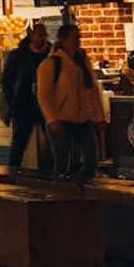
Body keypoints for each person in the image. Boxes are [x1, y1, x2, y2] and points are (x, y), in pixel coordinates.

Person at [36, 25, 105, 185]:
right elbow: (44, 95)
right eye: (74, 38)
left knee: (91, 161)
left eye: (78, 38)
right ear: (63, 40)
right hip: (61, 120)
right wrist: (52, 119)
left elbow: (92, 90)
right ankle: (61, 193)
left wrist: (99, 117)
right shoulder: (51, 64)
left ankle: (77, 188)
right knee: (62, 163)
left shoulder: (82, 62)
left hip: (82, 119)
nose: (77, 42)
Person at [1, 22, 51, 179]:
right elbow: (7, 80)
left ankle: (54, 171)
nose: (42, 39)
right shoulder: (19, 55)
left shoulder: (51, 54)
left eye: (45, 35)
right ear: (31, 36)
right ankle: (12, 170)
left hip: (46, 104)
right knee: (20, 140)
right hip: (23, 103)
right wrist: (12, 100)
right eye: (39, 35)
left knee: (52, 139)